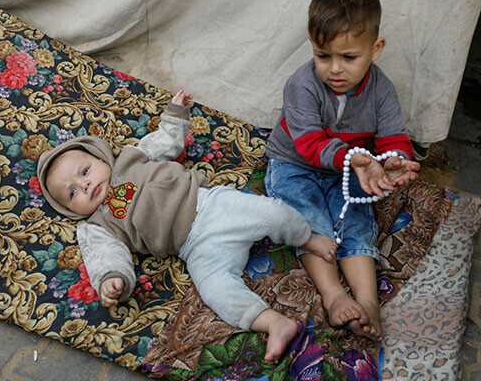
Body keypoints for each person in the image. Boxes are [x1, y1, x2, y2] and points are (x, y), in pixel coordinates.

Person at [36, 89, 338, 363]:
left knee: (270, 212)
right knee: (215, 290)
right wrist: (111, 279)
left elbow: (165, 141)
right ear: (69, 210)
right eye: (72, 193)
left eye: (85, 171)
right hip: (193, 248)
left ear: (101, 157)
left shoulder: (130, 157)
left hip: (210, 205)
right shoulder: (95, 225)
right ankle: (273, 323)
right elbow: (104, 255)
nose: (85, 185)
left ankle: (306, 238)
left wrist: (175, 114)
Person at [264, 0, 420, 341]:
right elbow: (310, 144)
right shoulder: (302, 85)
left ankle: (368, 301)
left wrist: (394, 161)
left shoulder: (382, 90)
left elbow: (394, 138)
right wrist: (354, 159)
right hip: (295, 164)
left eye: (349, 58)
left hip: (349, 169)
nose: (335, 69)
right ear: (312, 45)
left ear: (375, 49)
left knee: (356, 220)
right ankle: (334, 295)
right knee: (309, 219)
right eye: (323, 56)